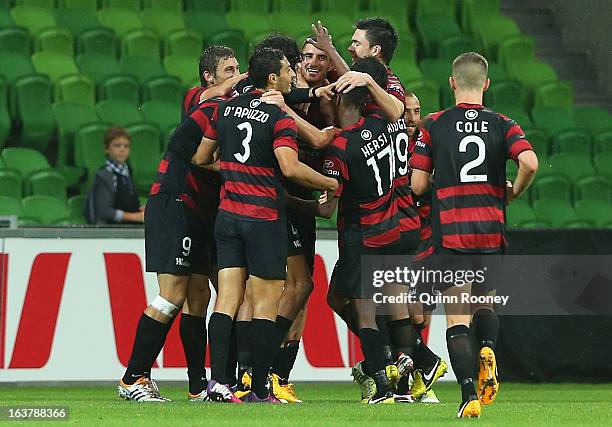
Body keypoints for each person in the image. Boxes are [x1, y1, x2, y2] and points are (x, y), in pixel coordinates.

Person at [193, 48, 338, 404]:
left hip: (228, 217)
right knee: (264, 304)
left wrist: (232, 171)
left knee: (226, 299)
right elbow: (289, 168)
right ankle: (259, 388)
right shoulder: (279, 117)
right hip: (263, 219)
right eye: (289, 69)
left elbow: (200, 157)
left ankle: (220, 384)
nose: (294, 74)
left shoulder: (226, 109)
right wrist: (330, 184)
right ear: (272, 78)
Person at [410, 52, 538, 418]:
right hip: (491, 231)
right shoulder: (504, 124)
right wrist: (511, 193)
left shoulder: (433, 125)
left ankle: (469, 395)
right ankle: (488, 346)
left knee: (457, 317)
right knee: (486, 303)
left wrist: (438, 180)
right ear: (486, 83)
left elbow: (418, 185)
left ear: (452, 83)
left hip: (453, 232)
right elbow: (529, 162)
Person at [116, 48, 239, 402]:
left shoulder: (230, 113)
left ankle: (197, 385)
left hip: (200, 211)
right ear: (208, 77)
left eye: (238, 68)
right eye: (228, 70)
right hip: (174, 203)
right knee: (171, 295)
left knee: (198, 296)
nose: (236, 74)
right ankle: (133, 378)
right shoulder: (197, 101)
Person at [313, 57, 408, 404]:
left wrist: (290, 200)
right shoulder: (388, 124)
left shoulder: (340, 146)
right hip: (391, 230)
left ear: (342, 101)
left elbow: (325, 209)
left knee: (365, 312)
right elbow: (396, 108)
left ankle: (383, 384)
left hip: (360, 233)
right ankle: (401, 365)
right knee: (380, 306)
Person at [85, 127, 143, 225]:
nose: (122, 149)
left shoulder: (128, 172)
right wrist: (134, 217)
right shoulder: (105, 175)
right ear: (106, 149)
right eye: (117, 145)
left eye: (126, 146)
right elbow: (104, 211)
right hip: (112, 231)